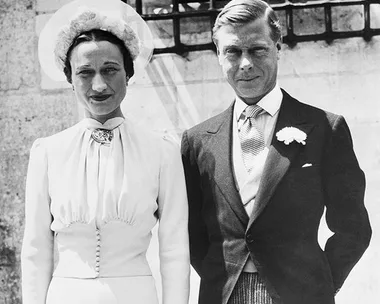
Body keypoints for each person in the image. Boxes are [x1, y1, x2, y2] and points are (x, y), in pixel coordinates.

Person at [181, 0, 371, 304]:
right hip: (224, 294)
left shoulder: (325, 128)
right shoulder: (197, 140)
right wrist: (224, 275)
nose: (245, 63)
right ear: (218, 55)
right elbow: (191, 232)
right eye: (233, 51)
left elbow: (353, 227)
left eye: (257, 50)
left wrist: (318, 284)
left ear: (277, 48)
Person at [21, 1, 190, 303]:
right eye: (85, 73)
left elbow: (175, 250)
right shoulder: (47, 153)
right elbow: (36, 250)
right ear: (70, 80)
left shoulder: (162, 152)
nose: (98, 85)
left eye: (110, 70)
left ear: (128, 74)